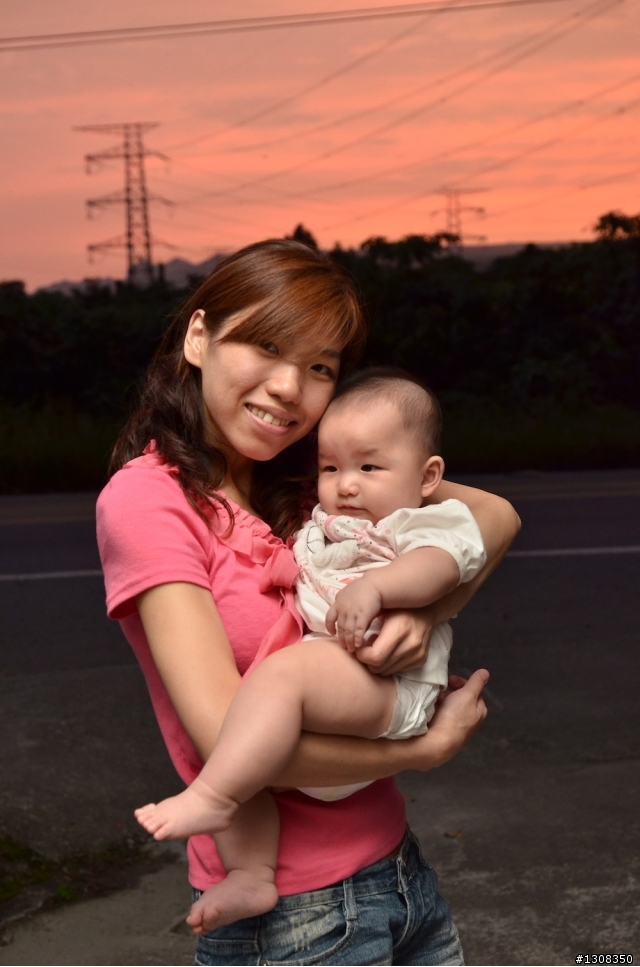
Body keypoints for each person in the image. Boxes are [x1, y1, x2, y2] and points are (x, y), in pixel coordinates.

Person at [97, 239, 520, 966]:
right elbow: (230, 738)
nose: (291, 387)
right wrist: (423, 750)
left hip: (398, 872)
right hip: (295, 921)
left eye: (320, 366)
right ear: (199, 337)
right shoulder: (149, 499)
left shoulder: (311, 475)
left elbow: (493, 516)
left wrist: (417, 611)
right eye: (266, 345)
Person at [135, 369, 489, 934]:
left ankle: (211, 796)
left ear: (428, 477)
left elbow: (443, 562)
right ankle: (250, 873)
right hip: (337, 694)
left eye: (368, 468)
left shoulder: (419, 520)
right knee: (245, 728)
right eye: (330, 469)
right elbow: (299, 565)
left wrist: (389, 594)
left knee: (278, 682)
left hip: (392, 687)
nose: (346, 485)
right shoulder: (325, 518)